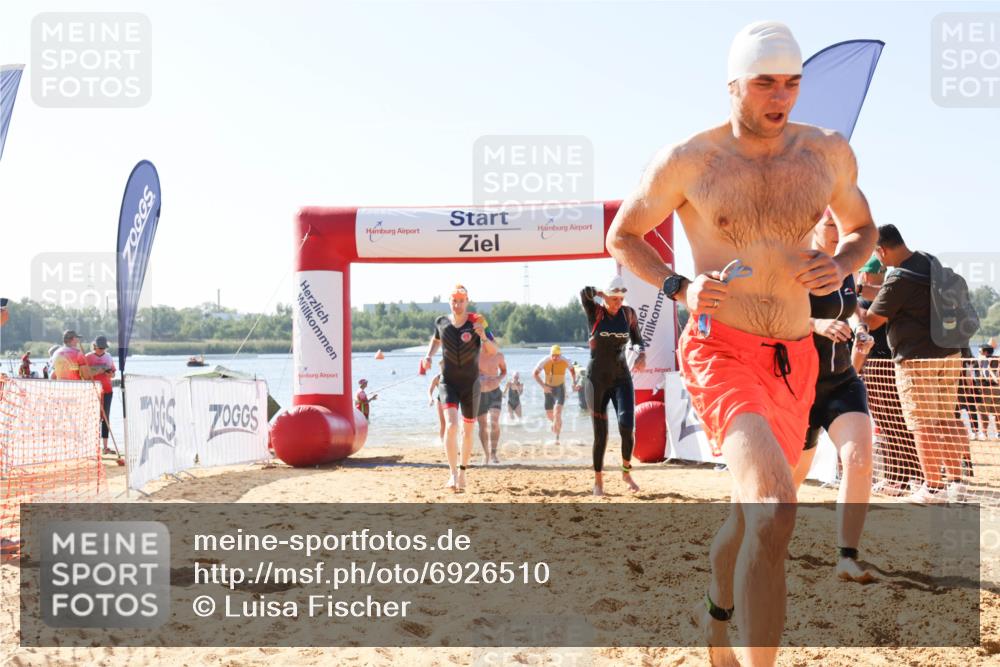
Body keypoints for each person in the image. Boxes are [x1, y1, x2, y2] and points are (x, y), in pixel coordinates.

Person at [605, 21, 876, 666]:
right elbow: (624, 235)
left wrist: (839, 265)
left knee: (747, 514)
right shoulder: (690, 159)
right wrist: (680, 285)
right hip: (721, 350)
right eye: (764, 84)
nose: (779, 97)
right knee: (777, 510)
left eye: (791, 83)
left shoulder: (827, 154)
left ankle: (716, 615)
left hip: (797, 358)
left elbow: (861, 229)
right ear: (733, 86)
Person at [791, 213, 874, 583]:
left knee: (858, 459)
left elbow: (851, 310)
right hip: (799, 385)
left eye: (842, 224)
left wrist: (861, 333)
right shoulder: (796, 264)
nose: (839, 231)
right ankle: (767, 536)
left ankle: (847, 557)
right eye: (830, 224)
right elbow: (772, 318)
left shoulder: (847, 268)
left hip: (842, 381)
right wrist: (815, 325)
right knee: (791, 478)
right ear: (811, 225)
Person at [863, 224, 969, 503]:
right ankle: (957, 482)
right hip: (949, 352)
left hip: (916, 358)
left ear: (881, 250)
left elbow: (873, 320)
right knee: (947, 418)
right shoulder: (928, 260)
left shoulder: (898, 278)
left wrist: (854, 306)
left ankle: (933, 487)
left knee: (922, 422)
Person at [420, 285, 497, 492]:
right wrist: (428, 356)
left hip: (470, 384)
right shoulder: (441, 322)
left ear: (467, 301)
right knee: (452, 426)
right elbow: (436, 340)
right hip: (448, 382)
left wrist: (483, 336)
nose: (457, 304)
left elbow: (493, 350)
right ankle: (452, 474)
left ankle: (463, 473)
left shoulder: (478, 321)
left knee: (467, 431)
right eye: (454, 300)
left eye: (461, 300)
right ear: (449, 302)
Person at [580, 276, 645, 496]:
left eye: (621, 298)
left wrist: (641, 353)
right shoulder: (595, 312)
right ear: (606, 297)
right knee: (601, 435)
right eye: (614, 299)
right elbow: (584, 292)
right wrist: (601, 292)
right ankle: (598, 481)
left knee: (627, 427)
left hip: (621, 378)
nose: (618, 303)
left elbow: (637, 339)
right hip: (595, 380)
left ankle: (626, 471)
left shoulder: (628, 314)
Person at [532, 344, 577, 442]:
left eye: (557, 355)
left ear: (560, 355)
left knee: (557, 412)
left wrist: (574, 383)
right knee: (549, 415)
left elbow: (573, 372)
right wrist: (543, 386)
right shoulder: (545, 361)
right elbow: (534, 374)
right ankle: (557, 423)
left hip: (560, 388)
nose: (555, 358)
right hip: (548, 389)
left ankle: (557, 438)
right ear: (550, 354)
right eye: (553, 355)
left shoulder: (565, 360)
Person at [84, 335, 117, 455]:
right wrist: (98, 370)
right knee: (94, 418)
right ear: (95, 346)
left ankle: (105, 447)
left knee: (106, 418)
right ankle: (93, 447)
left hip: (107, 390)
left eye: (104, 348)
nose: (102, 350)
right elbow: (85, 375)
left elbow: (113, 374)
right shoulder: (88, 357)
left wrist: (109, 374)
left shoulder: (108, 357)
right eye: (100, 348)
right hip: (93, 391)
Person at [477, 345, 507, 464]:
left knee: (494, 422)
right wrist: (478, 377)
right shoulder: (475, 356)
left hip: (495, 392)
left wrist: (498, 379)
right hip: (480, 394)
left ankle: (494, 453)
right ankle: (486, 454)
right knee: (482, 425)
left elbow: (504, 371)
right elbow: (467, 373)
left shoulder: (499, 356)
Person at [975, 342, 999, 439]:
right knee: (998, 412)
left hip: (986, 389)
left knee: (983, 412)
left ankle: (984, 433)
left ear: (985, 352)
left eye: (980, 350)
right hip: (997, 388)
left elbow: (985, 374)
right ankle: (998, 433)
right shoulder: (996, 359)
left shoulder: (983, 360)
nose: (978, 352)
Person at [428, 360, 446, 445]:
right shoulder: (437, 377)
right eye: (442, 366)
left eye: (445, 365)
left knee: (452, 423)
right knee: (443, 423)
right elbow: (430, 390)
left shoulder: (453, 377)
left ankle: (449, 440)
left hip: (451, 401)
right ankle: (442, 442)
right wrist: (430, 398)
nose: (443, 368)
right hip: (440, 401)